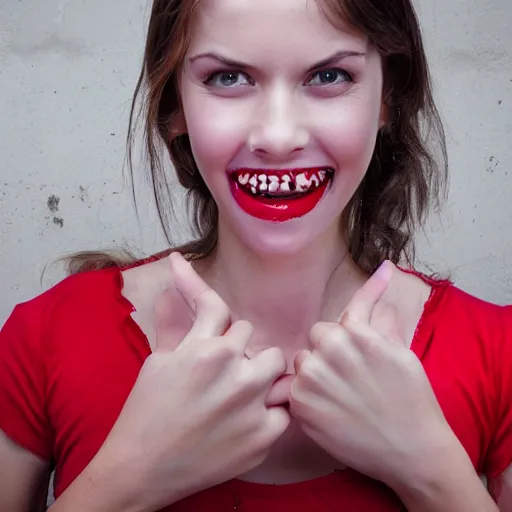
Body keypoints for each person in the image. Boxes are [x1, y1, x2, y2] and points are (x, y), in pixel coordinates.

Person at [0, 0, 511, 510]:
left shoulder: (498, 354)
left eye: (330, 75)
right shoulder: (45, 338)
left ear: (388, 99)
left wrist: (433, 472)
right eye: (228, 78)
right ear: (174, 104)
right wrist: (130, 475)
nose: (278, 137)